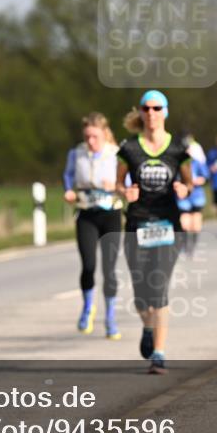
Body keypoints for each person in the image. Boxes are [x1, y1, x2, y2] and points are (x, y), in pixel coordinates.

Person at [116, 91, 193, 375]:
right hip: (137, 224)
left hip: (167, 224)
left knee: (158, 287)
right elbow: (117, 181)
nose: (151, 113)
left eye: (156, 108)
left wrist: (185, 189)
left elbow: (191, 182)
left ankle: (159, 353)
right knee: (140, 293)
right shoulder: (129, 148)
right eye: (146, 108)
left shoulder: (178, 149)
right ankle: (147, 326)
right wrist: (125, 191)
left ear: (165, 112)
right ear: (141, 112)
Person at [62, 112, 123, 340]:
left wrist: (116, 185)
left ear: (104, 134)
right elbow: (68, 175)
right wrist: (68, 190)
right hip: (86, 213)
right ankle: (88, 308)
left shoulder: (115, 154)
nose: (90, 141)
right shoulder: (77, 153)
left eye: (95, 136)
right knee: (88, 265)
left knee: (109, 269)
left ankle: (110, 318)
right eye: (87, 136)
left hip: (111, 214)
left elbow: (127, 183)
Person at [177, 132, 209, 256]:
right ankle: (185, 245)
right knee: (185, 223)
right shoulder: (178, 163)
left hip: (196, 195)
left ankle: (193, 246)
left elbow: (205, 176)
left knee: (195, 224)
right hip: (183, 197)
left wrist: (199, 180)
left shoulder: (197, 162)